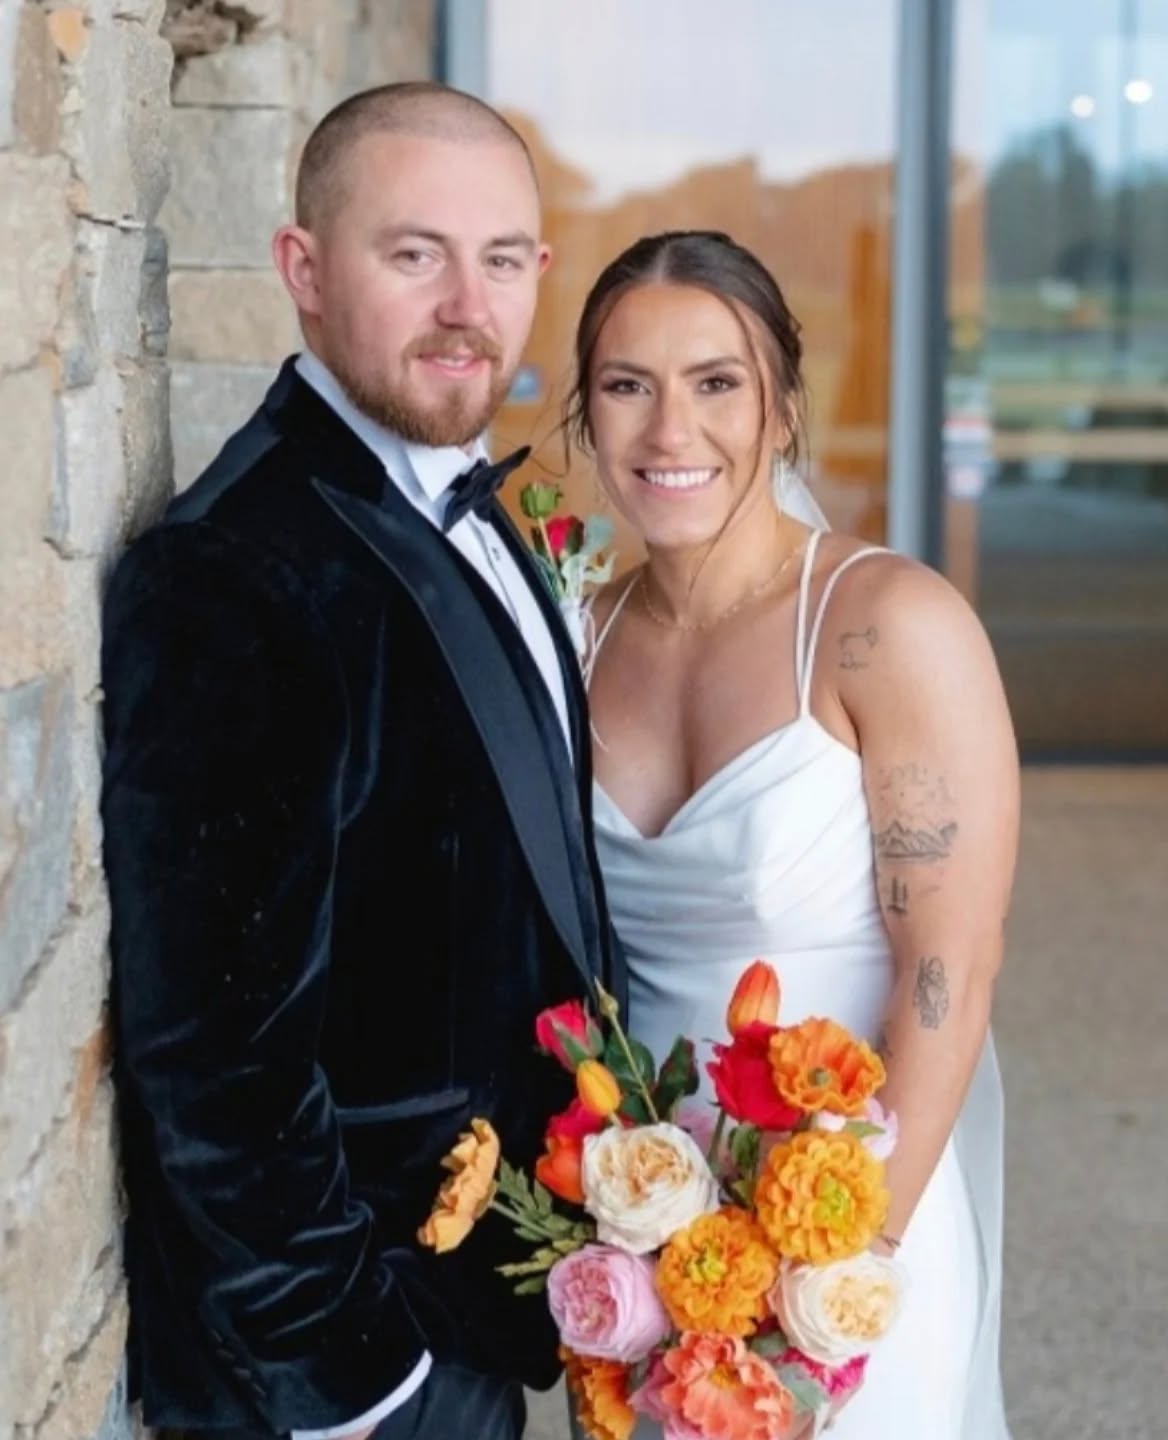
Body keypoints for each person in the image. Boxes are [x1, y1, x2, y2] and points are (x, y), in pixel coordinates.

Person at [100, 83, 622, 1440]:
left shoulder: (476, 502)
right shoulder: (236, 574)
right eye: (414, 255)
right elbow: (213, 1048)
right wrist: (354, 1380)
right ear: (304, 271)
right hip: (357, 1369)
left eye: (501, 258)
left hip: (476, 1307)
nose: (468, 303)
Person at [575, 231, 1019, 1437]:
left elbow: (948, 970)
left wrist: (829, 1285)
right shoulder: (575, 636)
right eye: (628, 386)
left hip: (853, 1215)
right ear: (587, 415)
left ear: (782, 414)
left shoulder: (887, 623)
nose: (672, 433)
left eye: (717, 384)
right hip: (638, 1230)